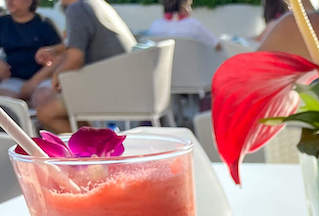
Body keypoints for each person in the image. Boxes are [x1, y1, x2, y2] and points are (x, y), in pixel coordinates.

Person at [32, 0, 135, 132]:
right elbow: (86, 40)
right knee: (62, 104)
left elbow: (75, 60)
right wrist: (55, 50)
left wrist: (56, 77)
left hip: (109, 92)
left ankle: (92, 147)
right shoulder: (98, 4)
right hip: (128, 88)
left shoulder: (77, 8)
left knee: (45, 113)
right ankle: (95, 142)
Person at [0, 0, 61, 100]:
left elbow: (61, 56)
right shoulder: (2, 23)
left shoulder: (44, 24)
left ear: (29, 2)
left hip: (42, 79)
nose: (9, 1)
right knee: (6, 102)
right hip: (12, 79)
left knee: (42, 98)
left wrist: (33, 83)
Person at [147, 0, 219, 49]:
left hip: (164, 70)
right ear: (183, 7)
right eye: (189, 5)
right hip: (191, 69)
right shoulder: (193, 25)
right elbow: (216, 44)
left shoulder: (155, 25)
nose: (190, 9)